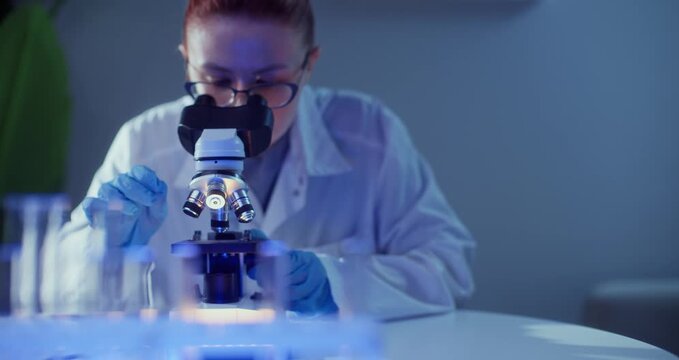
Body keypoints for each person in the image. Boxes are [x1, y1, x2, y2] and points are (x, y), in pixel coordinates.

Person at [59, 0, 475, 319]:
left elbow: (448, 270)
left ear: (307, 65)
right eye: (217, 79)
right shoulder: (143, 142)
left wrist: (332, 282)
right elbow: (61, 287)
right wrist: (105, 249)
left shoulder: (370, 136)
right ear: (187, 59)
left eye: (268, 82)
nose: (239, 103)